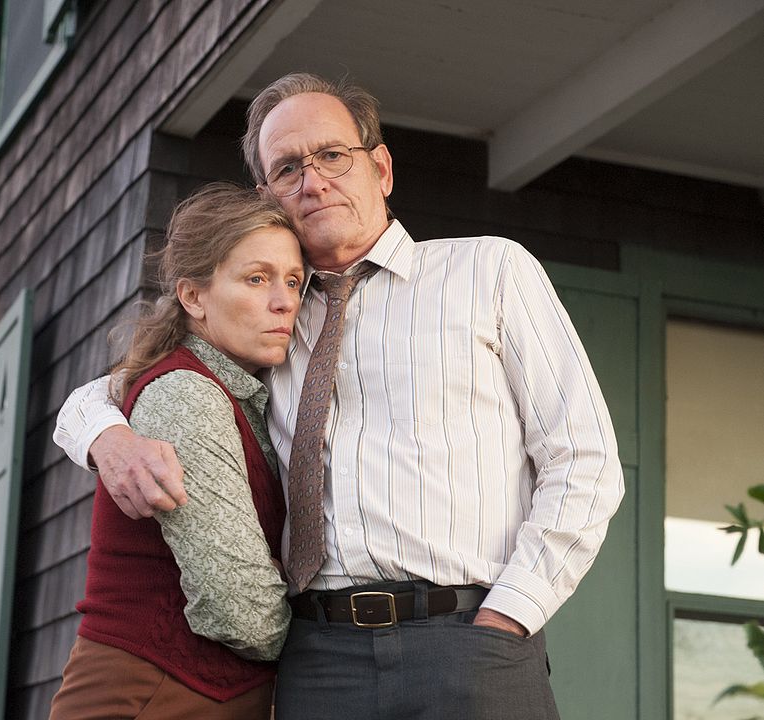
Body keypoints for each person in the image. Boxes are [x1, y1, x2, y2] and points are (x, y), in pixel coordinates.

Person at [54, 74, 625, 719]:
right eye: (287, 167)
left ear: (380, 168)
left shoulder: (489, 271)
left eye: (332, 155)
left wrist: (513, 612)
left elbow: (584, 459)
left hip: (468, 642)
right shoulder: (273, 316)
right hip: (317, 663)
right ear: (269, 194)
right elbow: (118, 389)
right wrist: (108, 437)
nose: (312, 180)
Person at [48, 183, 304, 720]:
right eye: (256, 279)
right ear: (193, 297)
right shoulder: (186, 393)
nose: (284, 301)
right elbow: (239, 609)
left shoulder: (241, 393)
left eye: (294, 281)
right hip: (151, 695)